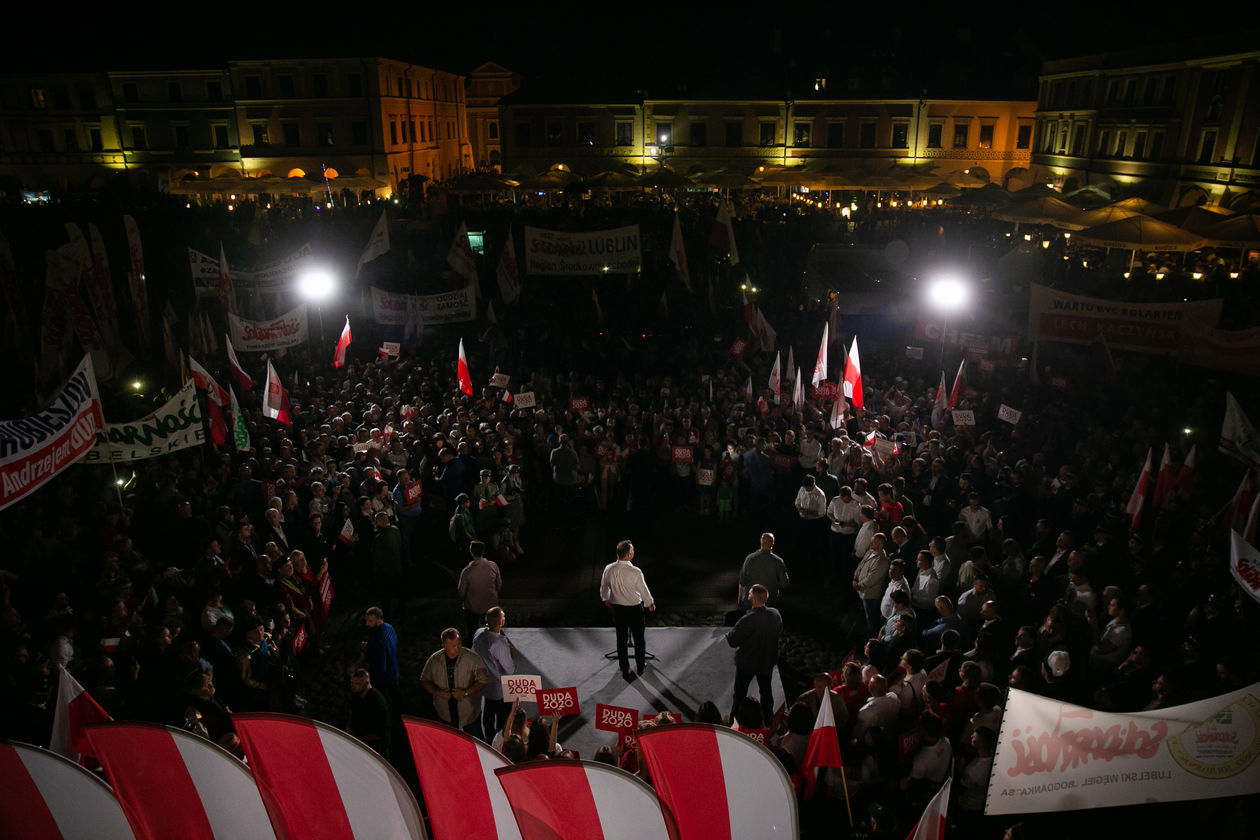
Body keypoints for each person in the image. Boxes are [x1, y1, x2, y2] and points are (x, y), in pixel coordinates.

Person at [725, 584, 782, 726]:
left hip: (747, 663)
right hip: (766, 661)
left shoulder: (747, 620)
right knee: (766, 691)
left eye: (749, 593)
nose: (747, 595)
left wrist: (729, 634)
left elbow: (733, 641)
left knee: (739, 693)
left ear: (753, 599)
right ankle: (768, 719)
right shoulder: (775, 614)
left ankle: (734, 720)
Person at [420, 628, 490, 739]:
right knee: (448, 743)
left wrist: (466, 692)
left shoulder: (472, 658)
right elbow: (424, 680)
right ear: (444, 646)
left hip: (469, 713)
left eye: (459, 644)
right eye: (453, 646)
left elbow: (484, 680)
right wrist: (438, 692)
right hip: (444, 713)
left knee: (476, 743)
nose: (457, 648)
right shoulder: (434, 660)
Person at [600, 540, 655, 679]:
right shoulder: (635, 571)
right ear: (629, 555)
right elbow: (644, 591)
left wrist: (606, 599)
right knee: (639, 639)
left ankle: (624, 668)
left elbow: (604, 586)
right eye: (633, 551)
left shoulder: (609, 568)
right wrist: (650, 603)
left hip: (618, 609)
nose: (634, 553)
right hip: (635, 610)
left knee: (621, 639)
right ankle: (640, 666)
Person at [472, 606, 515, 738]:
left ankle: (489, 739)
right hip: (499, 687)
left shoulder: (479, 633)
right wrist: (511, 653)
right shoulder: (499, 643)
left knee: (488, 715)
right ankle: (499, 741)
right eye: (503, 617)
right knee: (503, 717)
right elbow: (509, 669)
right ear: (501, 623)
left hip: (485, 683)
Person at [457, 541, 502, 643]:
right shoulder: (493, 566)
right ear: (483, 551)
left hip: (473, 606)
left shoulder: (466, 571)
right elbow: (499, 585)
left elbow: (461, 593)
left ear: (471, 552)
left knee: (472, 624)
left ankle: (472, 638)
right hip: (491, 604)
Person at [737, 532, 790, 610]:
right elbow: (784, 584)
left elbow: (742, 581)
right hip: (769, 603)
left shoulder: (750, 558)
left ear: (761, 541)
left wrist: (739, 599)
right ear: (773, 543)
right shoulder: (778, 561)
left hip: (750, 603)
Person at [347, 668, 391, 760]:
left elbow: (379, 733)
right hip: (359, 743)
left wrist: (358, 738)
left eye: (357, 684)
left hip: (375, 749)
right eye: (352, 683)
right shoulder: (356, 696)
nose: (353, 686)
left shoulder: (377, 701)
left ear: (366, 684)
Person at [362, 606, 400, 711]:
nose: (367, 624)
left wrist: (366, 650)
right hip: (394, 671)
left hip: (382, 676)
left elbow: (379, 659)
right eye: (367, 620)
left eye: (370, 621)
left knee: (384, 701)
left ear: (378, 621)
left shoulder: (378, 639)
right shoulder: (389, 627)